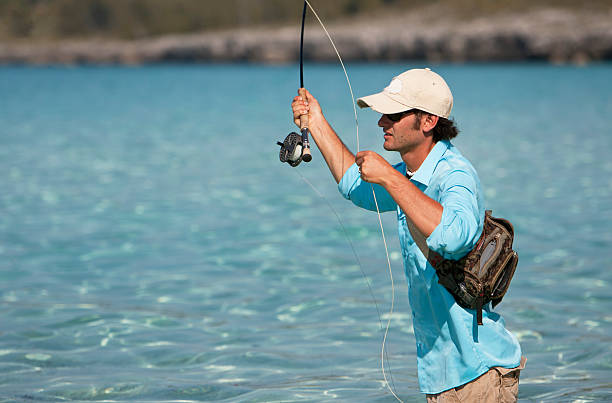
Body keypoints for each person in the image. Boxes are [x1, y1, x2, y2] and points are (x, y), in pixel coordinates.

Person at [291, 68, 525, 402]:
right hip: (442, 378)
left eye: (394, 114)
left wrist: (390, 178)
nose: (381, 122)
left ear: (428, 121)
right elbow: (357, 189)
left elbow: (456, 235)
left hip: (481, 374)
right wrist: (315, 120)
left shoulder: (456, 175)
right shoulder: (409, 174)